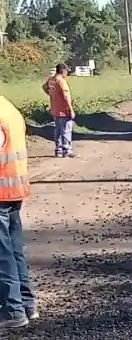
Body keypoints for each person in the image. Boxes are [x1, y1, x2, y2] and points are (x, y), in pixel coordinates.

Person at [0, 94, 37, 330]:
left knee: (2, 256)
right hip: (13, 191)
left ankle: (13, 310)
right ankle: (26, 304)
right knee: (14, 252)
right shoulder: (7, 107)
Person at [42, 63, 75, 158]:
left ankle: (58, 149)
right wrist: (71, 109)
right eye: (66, 71)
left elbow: (44, 87)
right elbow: (66, 96)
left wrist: (52, 95)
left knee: (58, 130)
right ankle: (67, 150)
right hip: (63, 109)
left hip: (55, 109)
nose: (67, 74)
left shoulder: (51, 80)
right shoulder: (61, 81)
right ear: (63, 71)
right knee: (66, 130)